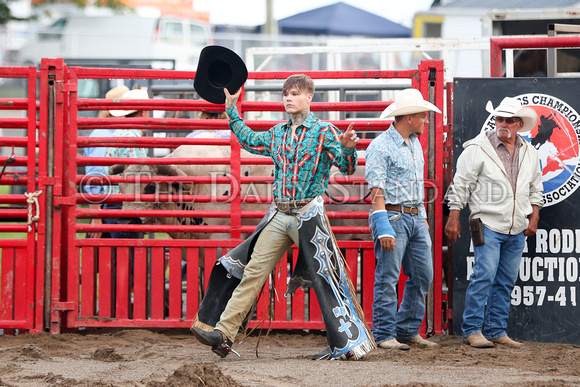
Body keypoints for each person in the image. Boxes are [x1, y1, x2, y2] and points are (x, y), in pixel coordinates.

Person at [191, 74, 375, 360]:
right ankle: (224, 333)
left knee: (327, 279)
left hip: (308, 214)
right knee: (253, 271)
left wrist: (349, 146)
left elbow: (347, 167)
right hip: (281, 213)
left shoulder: (325, 131)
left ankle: (349, 342)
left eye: (295, 94)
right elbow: (250, 140)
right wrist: (231, 110)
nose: (288, 98)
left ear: (309, 98)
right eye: (286, 94)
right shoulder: (277, 132)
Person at [445, 96, 543, 348]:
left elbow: (535, 188)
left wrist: (534, 216)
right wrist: (454, 217)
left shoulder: (530, 152)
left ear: (518, 124)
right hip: (487, 223)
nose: (503, 124)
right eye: (500, 119)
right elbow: (460, 185)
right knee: (485, 276)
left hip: (516, 226)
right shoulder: (476, 149)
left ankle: (497, 329)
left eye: (510, 120)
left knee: (506, 280)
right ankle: (473, 330)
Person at [365, 88, 441, 350]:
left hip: (412, 215)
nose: (426, 121)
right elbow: (376, 190)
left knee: (423, 275)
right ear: (409, 118)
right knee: (389, 276)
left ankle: (407, 329)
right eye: (423, 116)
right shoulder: (381, 146)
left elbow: (415, 182)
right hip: (392, 216)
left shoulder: (413, 143)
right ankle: (385, 334)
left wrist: (421, 214)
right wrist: (383, 225)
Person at [102, 88, 150, 239]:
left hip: (110, 204)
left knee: (117, 257)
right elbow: (139, 180)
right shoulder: (133, 139)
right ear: (143, 112)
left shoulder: (118, 134)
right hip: (125, 208)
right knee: (130, 258)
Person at [83, 85, 130, 238]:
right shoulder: (103, 135)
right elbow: (94, 178)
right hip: (109, 207)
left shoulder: (103, 132)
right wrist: (97, 217)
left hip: (113, 206)